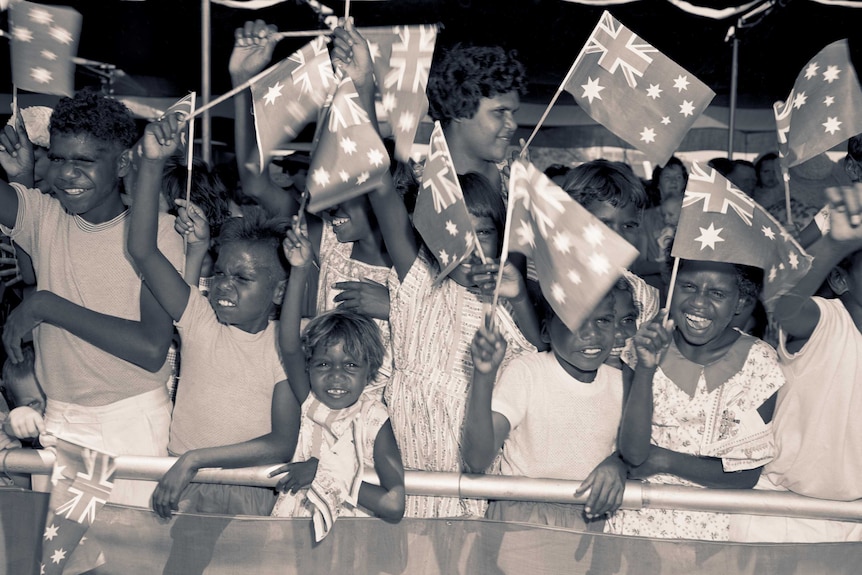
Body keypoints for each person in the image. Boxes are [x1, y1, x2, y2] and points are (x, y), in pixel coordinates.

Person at [0, 89, 182, 507]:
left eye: (84, 161)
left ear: (120, 164)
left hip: (129, 423)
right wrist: (21, 176)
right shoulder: (44, 214)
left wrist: (48, 306)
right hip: (63, 419)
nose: (67, 174)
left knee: (131, 564)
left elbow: (152, 348)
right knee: (70, 571)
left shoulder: (159, 232)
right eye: (59, 158)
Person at [129, 113, 300, 517]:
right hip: (182, 488)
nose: (224, 285)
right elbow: (143, 251)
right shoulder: (199, 317)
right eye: (220, 272)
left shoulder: (284, 346)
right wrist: (152, 163)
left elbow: (282, 443)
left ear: (279, 290)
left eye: (242, 278)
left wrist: (195, 458)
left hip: (246, 491)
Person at [608, 258, 785, 541]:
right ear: (670, 287)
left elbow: (744, 475)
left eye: (717, 293)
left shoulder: (760, 363)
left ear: (740, 303)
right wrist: (645, 368)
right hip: (636, 525)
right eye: (688, 286)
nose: (698, 303)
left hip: (712, 535)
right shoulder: (641, 349)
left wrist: (664, 459)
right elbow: (633, 454)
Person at [731, 183, 862, 542]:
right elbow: (784, 303)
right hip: (783, 510)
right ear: (839, 278)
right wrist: (836, 244)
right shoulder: (827, 319)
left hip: (853, 519)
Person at [269, 225, 404, 538]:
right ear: (309, 366)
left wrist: (319, 475)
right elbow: (288, 343)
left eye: (351, 365)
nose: (336, 376)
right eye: (324, 364)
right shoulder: (309, 401)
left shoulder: (375, 420)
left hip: (351, 544)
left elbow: (394, 504)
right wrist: (300, 270)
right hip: (290, 536)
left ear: (370, 371)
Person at [462, 290, 627, 533]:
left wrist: (620, 463)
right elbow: (477, 458)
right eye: (575, 322)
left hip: (590, 521)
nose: (592, 334)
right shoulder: (527, 372)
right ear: (545, 330)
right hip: (520, 518)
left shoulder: (622, 384)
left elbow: (637, 452)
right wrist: (483, 375)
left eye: (603, 320)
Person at [562, 159, 661, 317]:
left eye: (629, 226)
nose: (618, 238)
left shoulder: (641, 297)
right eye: (604, 225)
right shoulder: (547, 285)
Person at [426, 42, 527, 195]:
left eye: (513, 113)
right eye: (500, 112)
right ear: (458, 110)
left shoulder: (517, 184)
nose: (513, 125)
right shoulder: (413, 188)